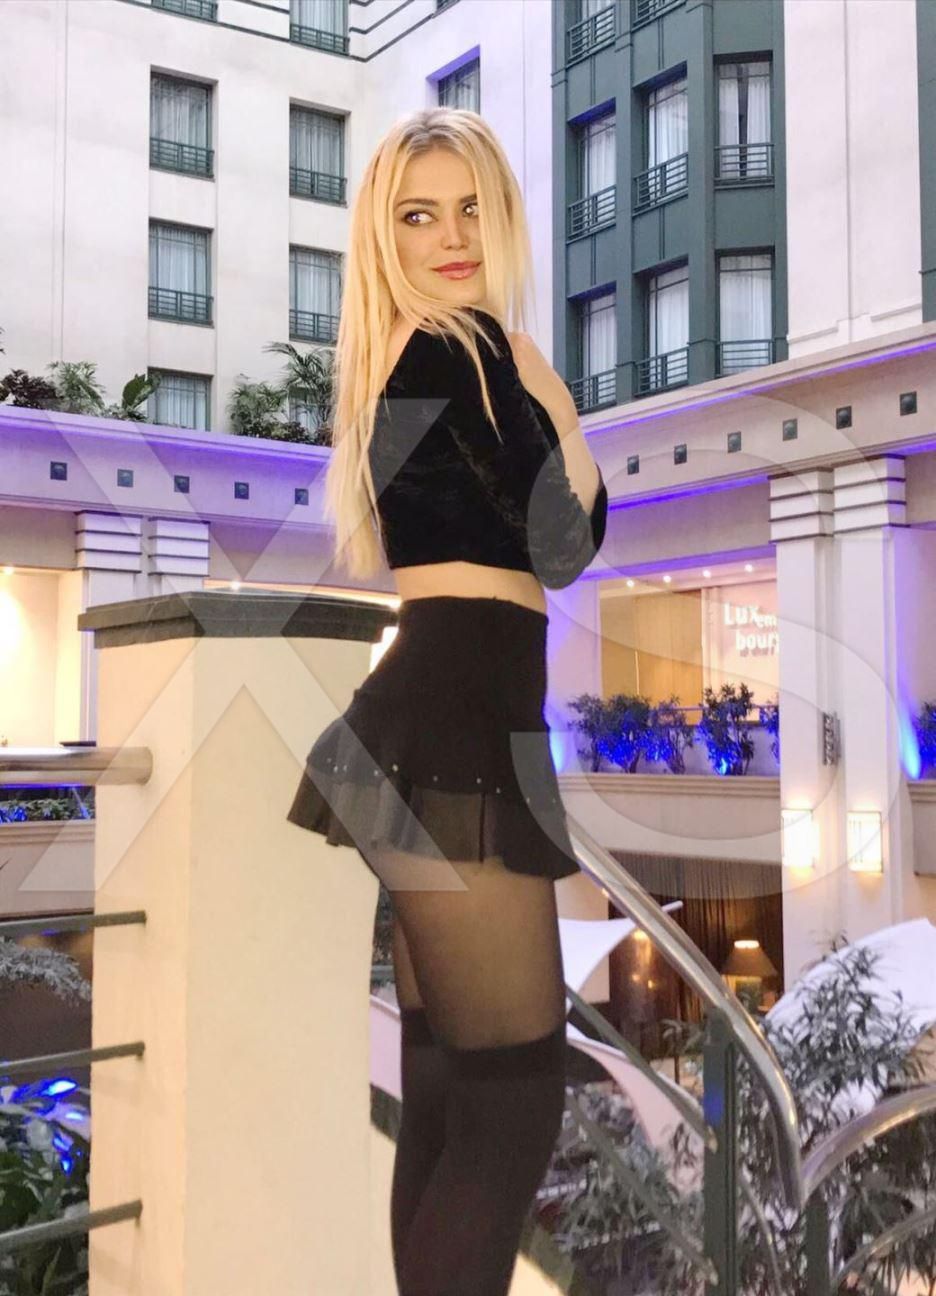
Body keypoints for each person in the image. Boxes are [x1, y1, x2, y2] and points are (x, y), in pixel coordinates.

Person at [286, 106, 608, 1296]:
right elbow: (564, 547)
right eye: (421, 216)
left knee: (445, 1094)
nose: (453, 236)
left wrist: (545, 404)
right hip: (461, 729)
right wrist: (557, 404)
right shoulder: (458, 352)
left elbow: (551, 538)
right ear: (388, 237)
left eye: (471, 208)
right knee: (516, 1105)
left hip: (450, 725)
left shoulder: (414, 356)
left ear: (503, 215)